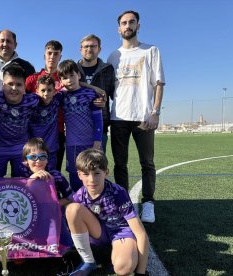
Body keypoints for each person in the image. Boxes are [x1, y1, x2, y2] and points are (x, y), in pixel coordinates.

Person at [107, 10, 165, 223]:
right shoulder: (113, 56)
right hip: (119, 117)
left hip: (143, 117)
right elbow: (109, 89)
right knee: (120, 164)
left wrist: (155, 112)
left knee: (147, 163)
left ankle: (148, 203)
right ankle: (124, 205)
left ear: (138, 25)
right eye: (124, 23)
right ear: (118, 28)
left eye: (132, 22)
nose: (128, 26)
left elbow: (159, 83)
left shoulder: (151, 50)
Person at [66, 149, 149, 276]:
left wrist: (141, 273)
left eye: (97, 173)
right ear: (79, 175)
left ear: (106, 172)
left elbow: (141, 233)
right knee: (72, 209)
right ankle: (88, 262)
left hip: (120, 231)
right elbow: (74, 223)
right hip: (99, 232)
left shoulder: (118, 193)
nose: (92, 179)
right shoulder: (79, 196)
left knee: (123, 269)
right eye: (86, 174)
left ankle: (122, 251)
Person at [57, 59, 103, 192]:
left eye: (72, 75)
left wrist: (97, 142)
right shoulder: (61, 96)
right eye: (65, 78)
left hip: (91, 143)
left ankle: (97, 206)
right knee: (76, 177)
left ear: (79, 75)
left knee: (95, 175)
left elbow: (98, 120)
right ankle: (78, 205)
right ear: (61, 81)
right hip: (73, 145)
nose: (69, 80)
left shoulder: (90, 94)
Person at [25, 40, 65, 171]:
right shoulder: (32, 79)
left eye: (56, 54)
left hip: (56, 132)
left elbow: (78, 87)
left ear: (60, 57)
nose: (52, 57)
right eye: (49, 53)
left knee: (54, 171)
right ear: (44, 56)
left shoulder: (65, 79)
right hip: (34, 133)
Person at [77, 34, 115, 152]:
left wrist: (104, 101)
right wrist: (94, 88)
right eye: (86, 46)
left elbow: (114, 95)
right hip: (78, 126)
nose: (89, 49)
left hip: (100, 125)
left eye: (93, 46)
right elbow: (66, 86)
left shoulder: (108, 69)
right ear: (80, 50)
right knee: (78, 165)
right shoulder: (73, 69)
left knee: (98, 165)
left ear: (99, 49)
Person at [29, 75, 62, 169]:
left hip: (51, 150)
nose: (46, 94)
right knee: (33, 180)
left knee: (50, 178)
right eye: (43, 90)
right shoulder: (30, 102)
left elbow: (72, 85)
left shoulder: (57, 99)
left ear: (54, 91)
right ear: (37, 91)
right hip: (34, 152)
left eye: (49, 90)